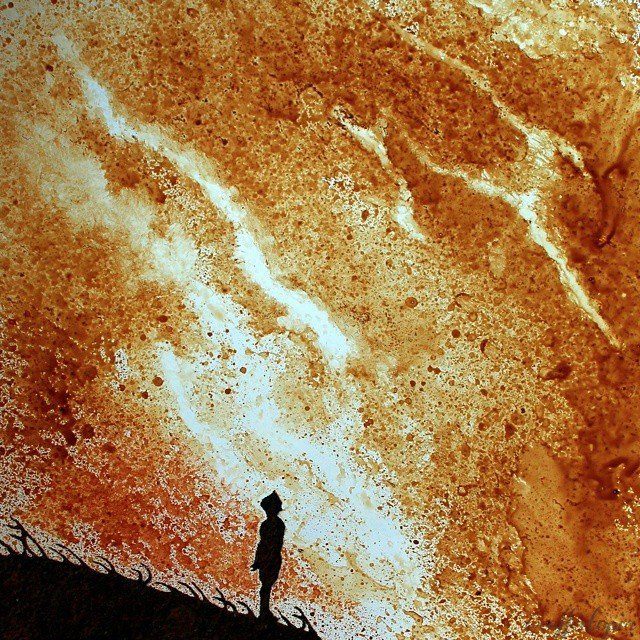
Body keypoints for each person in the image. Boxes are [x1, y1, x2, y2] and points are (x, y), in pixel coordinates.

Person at [251, 491, 285, 620]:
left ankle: (264, 611)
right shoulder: (266, 524)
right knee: (265, 586)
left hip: (272, 557)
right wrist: (258, 560)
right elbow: (262, 543)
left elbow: (274, 543)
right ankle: (264, 611)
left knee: (267, 585)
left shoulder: (277, 524)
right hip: (268, 557)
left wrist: (263, 558)